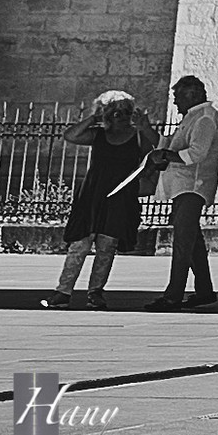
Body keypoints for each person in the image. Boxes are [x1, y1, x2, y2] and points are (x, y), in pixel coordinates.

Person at [43, 91, 158, 310]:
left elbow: (152, 154)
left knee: (107, 246)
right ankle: (63, 291)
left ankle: (95, 292)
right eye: (115, 112)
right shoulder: (98, 135)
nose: (120, 116)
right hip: (92, 195)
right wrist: (92, 118)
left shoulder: (138, 135)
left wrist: (145, 129)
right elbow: (71, 136)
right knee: (80, 244)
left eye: (125, 111)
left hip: (120, 196)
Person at [147, 75, 218, 310]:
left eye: (177, 97)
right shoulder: (193, 118)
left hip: (194, 186)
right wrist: (147, 131)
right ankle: (204, 289)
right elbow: (169, 143)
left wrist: (166, 157)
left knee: (183, 241)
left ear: (192, 95)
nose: (175, 103)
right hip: (183, 187)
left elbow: (196, 153)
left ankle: (173, 295)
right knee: (192, 241)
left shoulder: (204, 118)